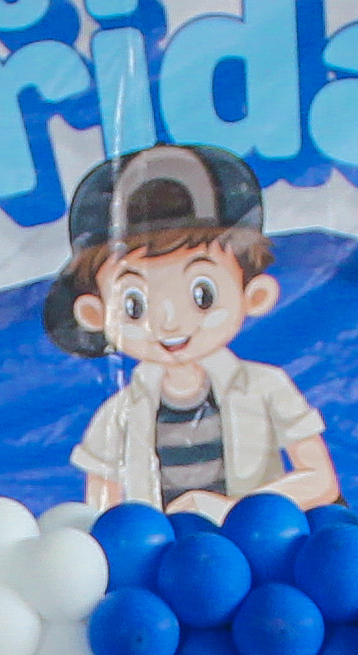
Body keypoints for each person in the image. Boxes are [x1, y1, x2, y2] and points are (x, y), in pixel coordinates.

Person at [49, 142, 335, 513]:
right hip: (161, 550)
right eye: (134, 305)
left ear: (255, 295)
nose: (169, 321)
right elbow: (103, 508)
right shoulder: (118, 414)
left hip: (253, 544)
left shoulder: (265, 387)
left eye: (203, 295)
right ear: (94, 314)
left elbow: (319, 479)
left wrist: (231, 511)